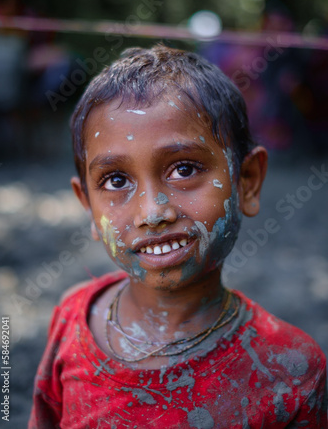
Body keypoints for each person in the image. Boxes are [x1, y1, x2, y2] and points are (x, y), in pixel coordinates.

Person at [28, 45, 327, 428]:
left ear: (247, 181)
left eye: (184, 170)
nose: (153, 213)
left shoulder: (292, 370)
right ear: (88, 204)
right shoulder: (72, 317)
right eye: (116, 180)